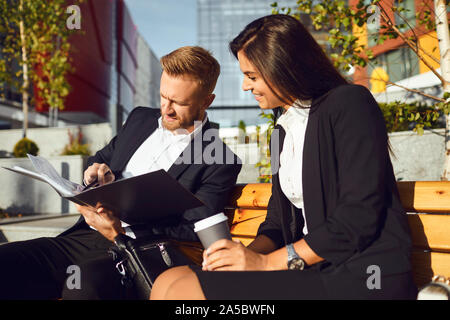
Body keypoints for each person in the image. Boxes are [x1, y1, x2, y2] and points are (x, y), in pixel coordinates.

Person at [150, 15, 418, 300]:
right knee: (170, 279)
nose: (245, 86)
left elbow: (358, 216)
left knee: (184, 292)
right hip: (311, 269)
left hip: (363, 274)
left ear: (283, 68)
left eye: (252, 76)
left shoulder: (349, 103)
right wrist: (240, 259)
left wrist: (265, 263)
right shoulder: (281, 132)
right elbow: (277, 224)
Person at [0, 46, 241, 300]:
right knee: (7, 262)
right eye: (163, 97)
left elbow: (195, 227)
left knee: (82, 285)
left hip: (139, 251)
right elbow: (102, 157)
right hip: (86, 236)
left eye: (179, 103)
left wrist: (123, 227)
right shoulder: (140, 119)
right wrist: (95, 172)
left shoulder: (219, 159)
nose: (166, 109)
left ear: (207, 101)